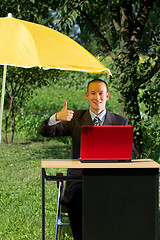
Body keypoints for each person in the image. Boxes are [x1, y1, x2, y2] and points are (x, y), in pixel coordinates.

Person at [39, 79, 136, 240]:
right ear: (87, 95)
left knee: (118, 200)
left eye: (100, 93)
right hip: (79, 180)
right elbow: (45, 131)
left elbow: (130, 154)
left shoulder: (120, 122)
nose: (96, 97)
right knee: (78, 198)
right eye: (93, 93)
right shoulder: (75, 118)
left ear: (107, 96)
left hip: (109, 180)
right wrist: (56, 117)